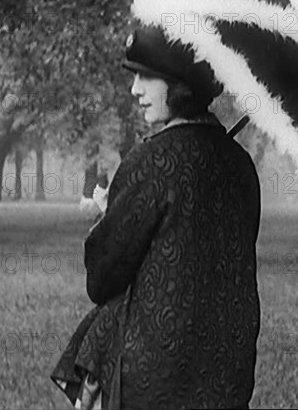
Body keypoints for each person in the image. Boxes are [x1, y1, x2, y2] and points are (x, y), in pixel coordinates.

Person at [51, 26, 262, 409]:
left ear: (180, 83)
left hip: (156, 383)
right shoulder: (240, 165)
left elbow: (102, 280)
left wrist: (105, 221)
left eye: (146, 76)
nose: (135, 90)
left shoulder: (150, 162)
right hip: (228, 379)